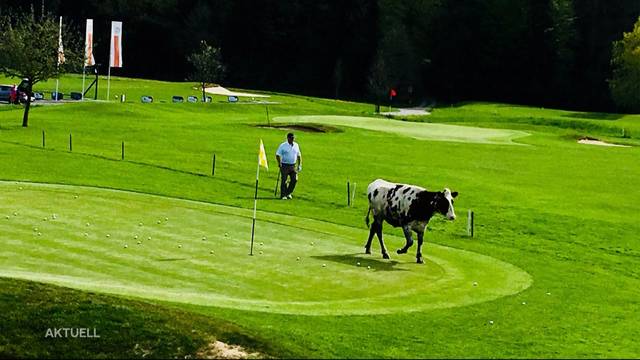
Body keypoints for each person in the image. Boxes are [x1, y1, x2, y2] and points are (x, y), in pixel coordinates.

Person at [275, 132, 302, 200]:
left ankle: (288, 193)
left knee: (294, 179)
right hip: (284, 165)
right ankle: (283, 195)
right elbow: (278, 154)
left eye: (293, 138)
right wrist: (279, 163)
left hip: (293, 165)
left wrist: (299, 165)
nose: (293, 139)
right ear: (288, 138)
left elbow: (299, 155)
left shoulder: (296, 145)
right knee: (284, 180)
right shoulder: (283, 145)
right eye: (291, 138)